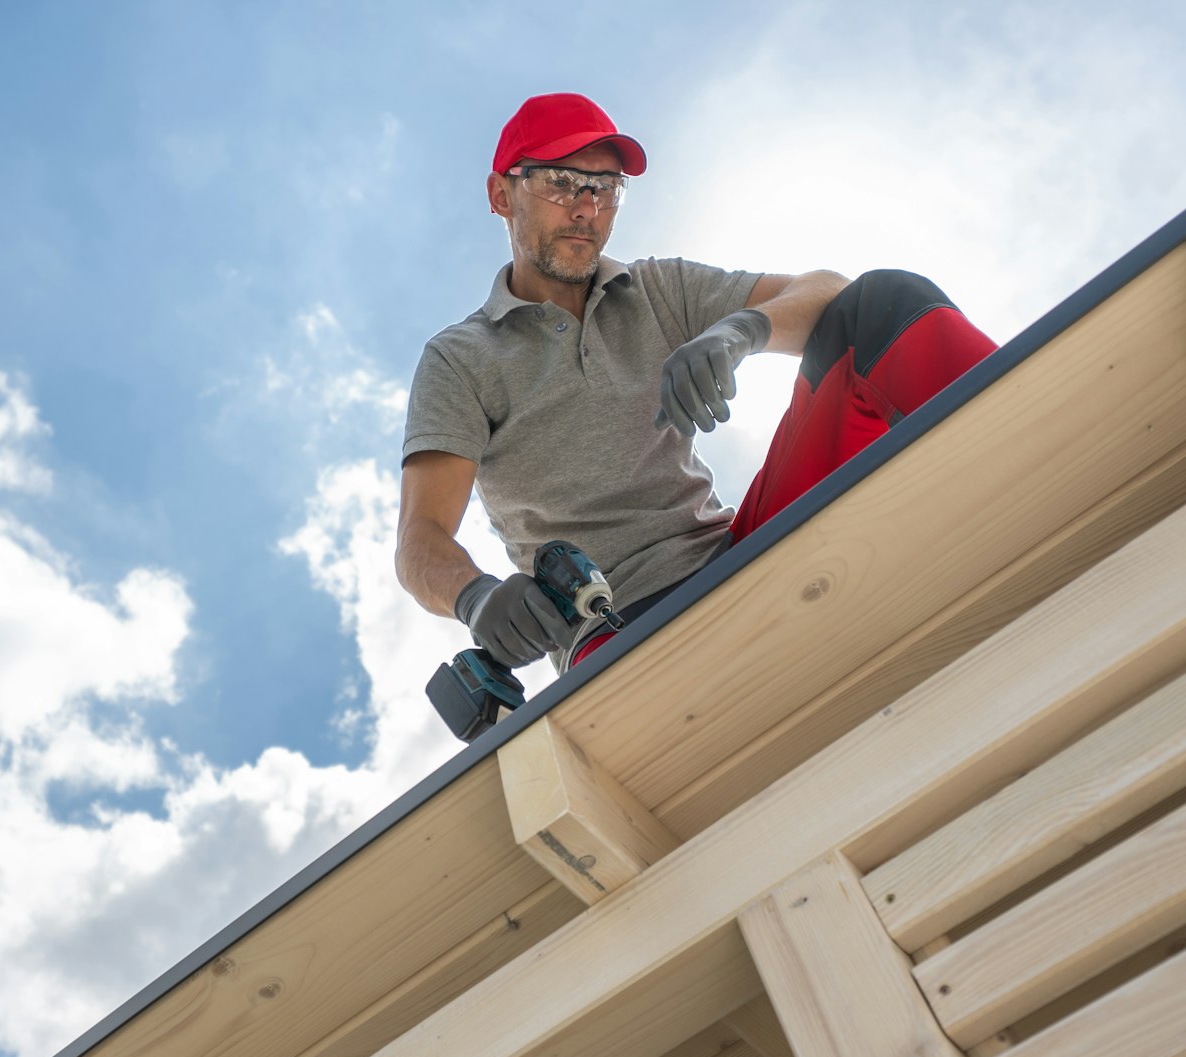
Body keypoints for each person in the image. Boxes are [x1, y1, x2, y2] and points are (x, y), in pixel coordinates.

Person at [396, 92, 998, 673]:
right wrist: (475, 597)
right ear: (502, 194)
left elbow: (832, 291)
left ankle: (1022, 441)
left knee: (885, 301)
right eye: (560, 182)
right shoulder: (461, 358)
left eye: (605, 188)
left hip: (739, 554)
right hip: (614, 628)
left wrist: (742, 329)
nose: (586, 209)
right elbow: (419, 540)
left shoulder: (658, 288)